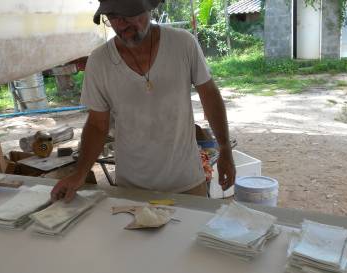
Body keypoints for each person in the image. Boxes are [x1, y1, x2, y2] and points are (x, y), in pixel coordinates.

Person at [51, 0, 236, 202]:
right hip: (132, 189)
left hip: (187, 182)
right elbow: (97, 125)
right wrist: (79, 174)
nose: (120, 24)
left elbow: (210, 96)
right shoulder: (99, 62)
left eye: (127, 14)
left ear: (149, 7)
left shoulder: (183, 44)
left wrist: (225, 149)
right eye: (112, 17)